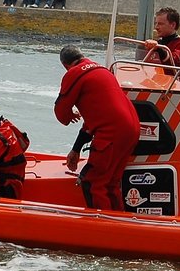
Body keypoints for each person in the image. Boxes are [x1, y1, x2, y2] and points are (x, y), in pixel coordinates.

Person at [53, 45, 141, 211]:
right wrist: (76, 149)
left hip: (112, 133)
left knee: (92, 182)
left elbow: (61, 113)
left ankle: (104, 229)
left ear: (65, 65)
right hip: (132, 129)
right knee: (111, 183)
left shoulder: (74, 73)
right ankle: (120, 223)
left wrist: (69, 116)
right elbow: (94, 119)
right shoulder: (103, 71)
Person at [141, 7, 180, 72]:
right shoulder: (158, 43)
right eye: (156, 23)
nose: (156, 27)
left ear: (173, 25)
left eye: (160, 24)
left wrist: (158, 49)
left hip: (171, 80)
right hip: (152, 78)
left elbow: (175, 62)